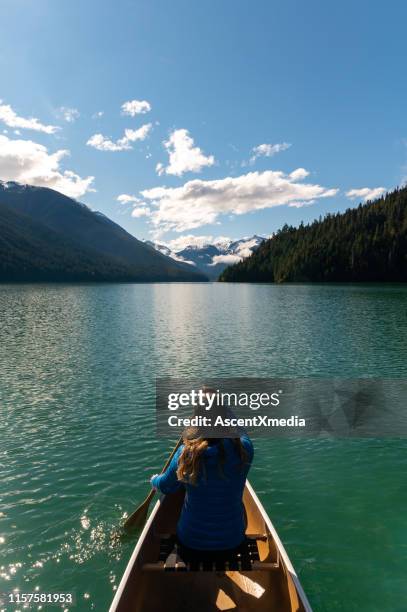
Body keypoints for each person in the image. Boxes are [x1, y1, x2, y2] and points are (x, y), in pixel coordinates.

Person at [150, 431, 253, 552]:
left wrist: (154, 480)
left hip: (189, 542)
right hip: (233, 542)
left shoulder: (185, 453)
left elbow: (166, 487)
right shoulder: (244, 448)